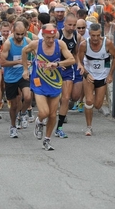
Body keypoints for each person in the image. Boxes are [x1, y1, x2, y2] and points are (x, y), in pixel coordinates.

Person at [21, 23, 75, 151]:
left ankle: (47, 140)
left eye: (52, 37)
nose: (50, 40)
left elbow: (72, 59)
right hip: (39, 81)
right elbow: (24, 51)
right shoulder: (36, 44)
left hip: (55, 83)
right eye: (47, 38)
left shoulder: (60, 44)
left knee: (52, 115)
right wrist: (25, 70)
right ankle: (39, 121)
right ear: (43, 35)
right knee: (44, 112)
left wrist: (57, 64)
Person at [78, 23, 115, 136]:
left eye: (97, 35)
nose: (95, 38)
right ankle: (89, 127)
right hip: (89, 75)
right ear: (89, 34)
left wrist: (110, 74)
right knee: (89, 101)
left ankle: (91, 102)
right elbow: (79, 61)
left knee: (98, 105)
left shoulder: (108, 44)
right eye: (93, 35)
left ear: (100, 34)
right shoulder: (84, 45)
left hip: (103, 76)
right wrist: (85, 73)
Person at [0, 21, 33, 138]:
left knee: (28, 97)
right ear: (13, 31)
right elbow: (2, 62)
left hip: (23, 74)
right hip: (10, 77)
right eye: (17, 34)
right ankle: (13, 126)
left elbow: (37, 55)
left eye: (22, 34)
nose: (19, 37)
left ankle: (23, 113)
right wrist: (19, 61)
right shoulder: (8, 44)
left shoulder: (28, 42)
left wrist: (31, 63)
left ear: (25, 33)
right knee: (13, 106)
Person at [55, 13, 83, 138]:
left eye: (74, 25)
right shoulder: (57, 35)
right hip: (55, 68)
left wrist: (80, 64)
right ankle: (56, 123)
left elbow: (75, 53)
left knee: (71, 97)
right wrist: (59, 63)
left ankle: (59, 126)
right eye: (70, 24)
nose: (72, 27)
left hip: (68, 68)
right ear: (64, 24)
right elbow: (49, 51)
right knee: (57, 97)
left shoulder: (77, 35)